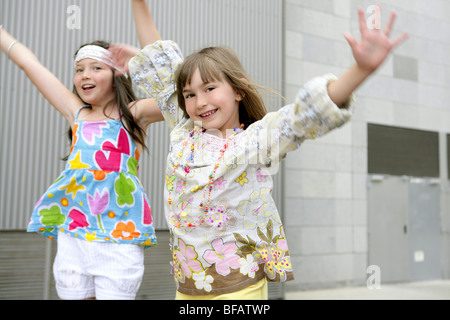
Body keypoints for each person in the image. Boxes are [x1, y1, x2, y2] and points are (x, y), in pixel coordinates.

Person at [119, 1, 408, 299]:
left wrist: (360, 70)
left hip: (240, 284)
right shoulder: (184, 130)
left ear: (238, 90)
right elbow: (160, 59)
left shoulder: (254, 141)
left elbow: (301, 118)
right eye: (189, 94)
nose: (200, 102)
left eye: (209, 89)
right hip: (188, 286)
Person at [0, 23, 164, 299]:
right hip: (74, 237)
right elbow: (30, 65)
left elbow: (178, 97)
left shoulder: (135, 114)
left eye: (96, 67)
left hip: (119, 240)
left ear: (117, 75)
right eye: (79, 69)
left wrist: (140, 58)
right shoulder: (76, 113)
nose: (85, 75)